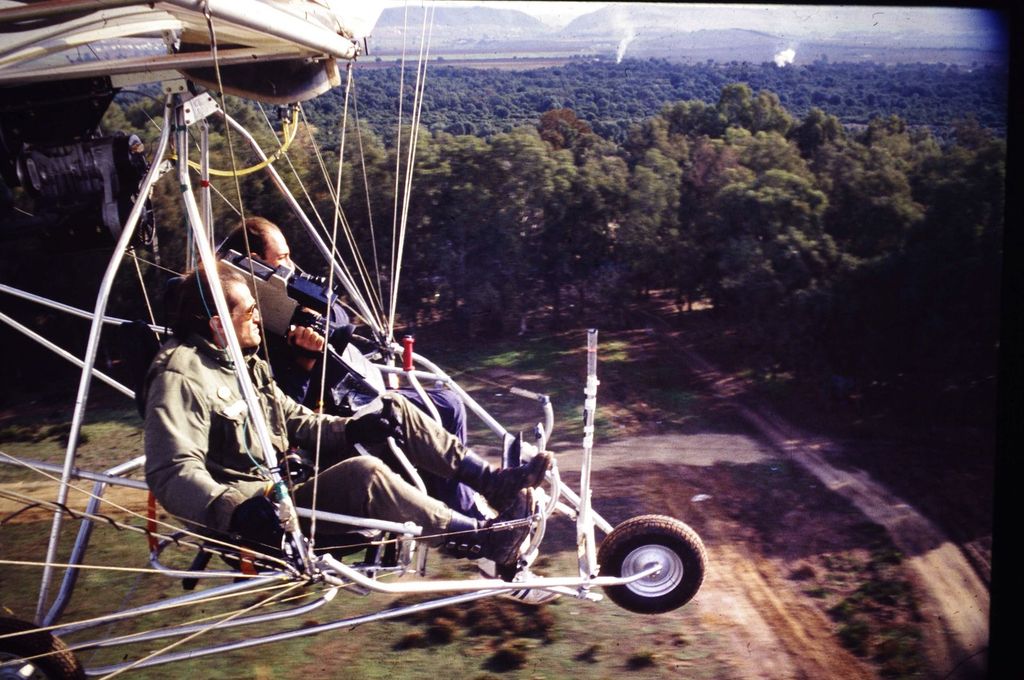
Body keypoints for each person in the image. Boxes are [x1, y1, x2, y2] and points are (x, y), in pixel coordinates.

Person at [143, 262, 552, 572]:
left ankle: (492, 484)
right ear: (218, 324)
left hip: (286, 490)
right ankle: (481, 540)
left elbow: (294, 421)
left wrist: (353, 427)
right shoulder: (180, 376)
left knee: (395, 407)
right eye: (249, 313)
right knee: (365, 474)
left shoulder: (241, 362)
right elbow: (172, 473)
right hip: (259, 518)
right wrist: (234, 510)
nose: (256, 320)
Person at [217, 217, 479, 516]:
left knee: (448, 402)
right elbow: (281, 416)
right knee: (445, 408)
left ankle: (470, 503)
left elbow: (341, 322)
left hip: (355, 397)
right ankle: (466, 514)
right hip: (334, 421)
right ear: (255, 263)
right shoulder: (252, 331)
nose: (290, 265)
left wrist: (308, 309)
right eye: (282, 258)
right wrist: (304, 362)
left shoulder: (288, 304)